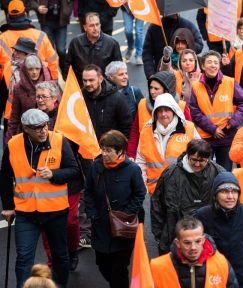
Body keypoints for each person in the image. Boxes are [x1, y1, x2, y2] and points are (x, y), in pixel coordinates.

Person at [0, 109, 79, 288]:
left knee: (60, 256)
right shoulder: (13, 144)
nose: (43, 130)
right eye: (37, 128)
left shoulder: (59, 140)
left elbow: (74, 171)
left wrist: (54, 174)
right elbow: (4, 176)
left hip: (55, 212)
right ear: (26, 128)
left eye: (45, 126)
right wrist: (7, 206)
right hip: (26, 213)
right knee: (24, 258)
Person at [31, 82, 88, 272]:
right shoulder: (32, 118)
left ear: (55, 98)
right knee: (47, 223)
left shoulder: (66, 117)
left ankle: (71, 250)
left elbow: (80, 144)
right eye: (38, 96)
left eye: (43, 96)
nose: (39, 100)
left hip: (69, 177)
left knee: (71, 220)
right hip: (43, 180)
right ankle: (53, 259)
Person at [84, 130, 145, 288]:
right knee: (103, 266)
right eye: (102, 149)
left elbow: (139, 193)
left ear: (120, 151)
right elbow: (88, 191)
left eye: (108, 150)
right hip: (100, 225)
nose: (104, 153)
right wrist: (92, 213)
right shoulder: (96, 166)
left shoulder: (132, 169)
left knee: (119, 268)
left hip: (123, 227)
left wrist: (127, 213)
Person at [151, 139, 226, 255]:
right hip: (173, 237)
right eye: (194, 160)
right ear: (187, 155)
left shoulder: (218, 173)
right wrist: (159, 236)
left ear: (208, 158)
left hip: (210, 239)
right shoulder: (170, 174)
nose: (197, 164)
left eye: (202, 161)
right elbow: (157, 207)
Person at [195, 172, 243, 288]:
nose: (230, 196)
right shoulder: (202, 215)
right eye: (224, 191)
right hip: (213, 280)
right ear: (215, 194)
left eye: (234, 192)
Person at [189, 50, 243, 171]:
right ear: (203, 66)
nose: (213, 65)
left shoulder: (230, 82)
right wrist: (213, 129)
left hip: (226, 137)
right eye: (209, 62)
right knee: (203, 173)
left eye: (216, 62)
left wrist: (233, 123)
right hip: (204, 138)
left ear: (219, 65)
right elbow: (195, 111)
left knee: (224, 174)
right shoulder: (195, 86)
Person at [136, 93, 199, 194]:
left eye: (167, 110)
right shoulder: (146, 131)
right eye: (159, 111)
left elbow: (199, 157)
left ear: (174, 111)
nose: (163, 114)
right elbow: (141, 162)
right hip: (156, 192)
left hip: (183, 190)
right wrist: (142, 186)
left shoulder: (189, 129)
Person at [150, 216, 239, 288]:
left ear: (203, 240)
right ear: (178, 243)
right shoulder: (157, 267)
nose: (193, 247)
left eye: (198, 241)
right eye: (187, 243)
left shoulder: (221, 263)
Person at [127, 71, 191, 158]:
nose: (152, 91)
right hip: (148, 159)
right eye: (151, 87)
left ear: (167, 90)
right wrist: (131, 154)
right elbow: (135, 132)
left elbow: (189, 135)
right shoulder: (142, 105)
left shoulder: (181, 107)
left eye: (156, 89)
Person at [29, 0, 73, 77]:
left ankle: (65, 74)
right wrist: (38, 8)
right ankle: (50, 76)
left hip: (61, 22)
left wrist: (67, 12)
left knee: (61, 50)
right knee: (48, 51)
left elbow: (72, 0)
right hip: (46, 21)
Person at [0, 0, 59, 80]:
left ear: (8, 17)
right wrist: (54, 80)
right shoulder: (41, 35)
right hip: (39, 83)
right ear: (25, 14)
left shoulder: (1, 39)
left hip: (10, 84)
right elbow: (53, 60)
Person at [7, 54, 57, 141]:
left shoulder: (51, 85)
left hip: (49, 131)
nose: (34, 72)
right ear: (25, 70)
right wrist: (9, 137)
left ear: (41, 69)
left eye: (37, 69)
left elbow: (58, 108)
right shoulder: (18, 88)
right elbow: (15, 115)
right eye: (30, 69)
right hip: (26, 132)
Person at [65, 13, 123, 84]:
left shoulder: (112, 43)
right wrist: (72, 85)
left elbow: (119, 69)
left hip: (104, 89)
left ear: (100, 25)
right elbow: (68, 67)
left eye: (97, 24)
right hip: (82, 88)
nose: (95, 28)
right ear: (85, 27)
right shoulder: (76, 42)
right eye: (91, 25)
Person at [143, 12, 204, 78]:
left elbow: (199, 45)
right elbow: (147, 52)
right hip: (160, 74)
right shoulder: (154, 27)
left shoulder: (188, 25)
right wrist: (150, 74)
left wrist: (188, 46)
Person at [81, 64, 133, 140]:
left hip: (110, 149)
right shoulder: (79, 97)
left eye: (91, 80)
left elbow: (127, 127)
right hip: (86, 148)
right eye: (85, 80)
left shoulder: (118, 98)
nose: (87, 84)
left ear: (101, 79)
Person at [0, 37, 37, 133]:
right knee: (9, 146)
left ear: (28, 54)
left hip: (33, 117)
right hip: (11, 116)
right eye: (15, 50)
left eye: (19, 51)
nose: (15, 53)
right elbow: (3, 93)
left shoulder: (39, 68)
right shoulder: (9, 66)